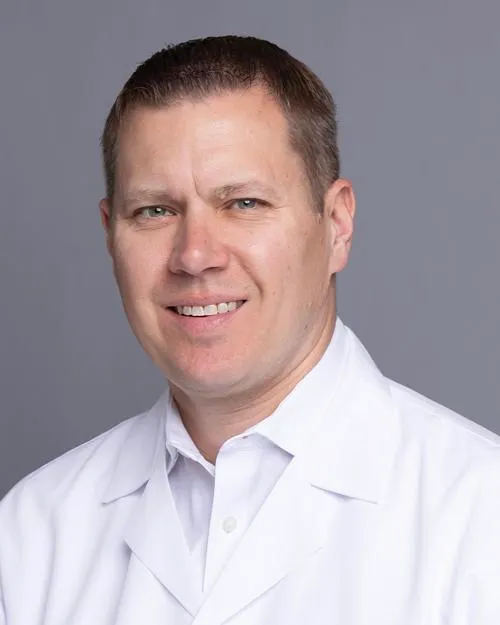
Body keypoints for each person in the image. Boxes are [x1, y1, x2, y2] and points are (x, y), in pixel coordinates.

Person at [1, 35, 499, 625]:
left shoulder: (479, 517)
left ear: (336, 225)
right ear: (111, 234)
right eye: (155, 210)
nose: (195, 256)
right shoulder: (33, 534)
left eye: (243, 203)